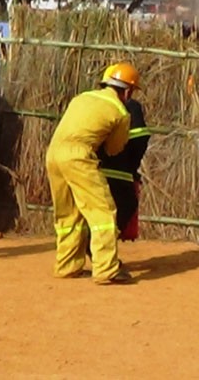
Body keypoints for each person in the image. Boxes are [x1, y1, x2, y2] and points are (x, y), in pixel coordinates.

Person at [47, 63, 139, 284]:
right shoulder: (120, 111)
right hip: (79, 156)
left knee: (68, 214)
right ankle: (106, 269)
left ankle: (67, 265)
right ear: (127, 91)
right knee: (103, 212)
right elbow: (113, 149)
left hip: (53, 154)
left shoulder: (81, 97)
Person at [97, 65, 151, 242]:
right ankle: (103, 250)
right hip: (118, 172)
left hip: (90, 169)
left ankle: (82, 250)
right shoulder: (129, 106)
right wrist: (131, 167)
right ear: (128, 90)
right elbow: (140, 138)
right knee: (126, 205)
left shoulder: (92, 101)